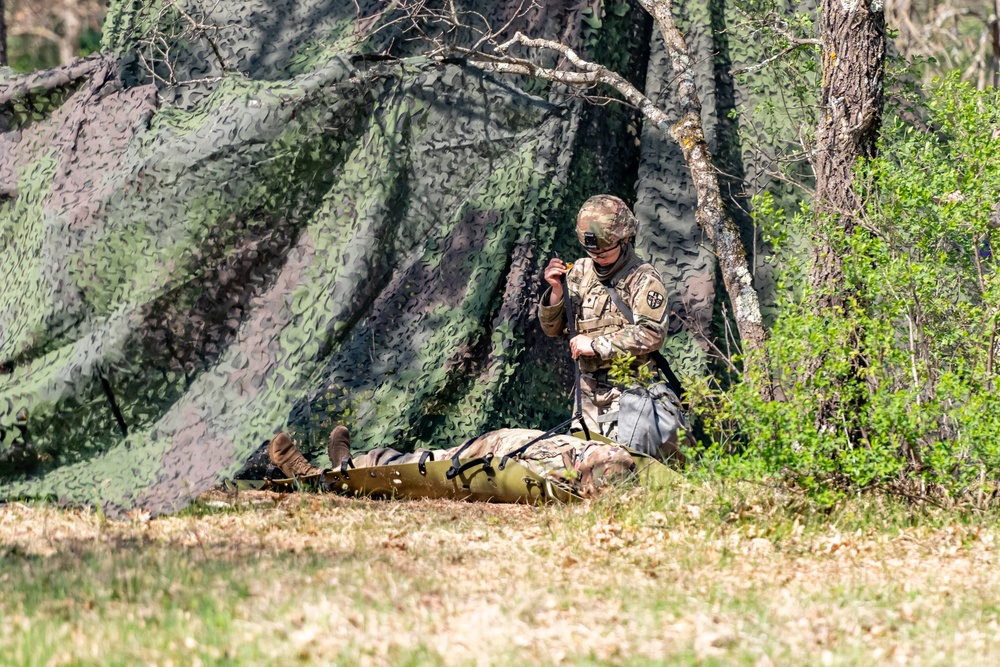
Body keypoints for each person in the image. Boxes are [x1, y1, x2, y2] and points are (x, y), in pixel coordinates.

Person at [538, 195, 681, 458]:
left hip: (632, 394)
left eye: (605, 251)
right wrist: (557, 291)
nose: (598, 258)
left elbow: (652, 333)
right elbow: (552, 329)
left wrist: (594, 345)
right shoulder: (579, 272)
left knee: (630, 469)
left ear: (625, 240)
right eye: (592, 252)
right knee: (588, 473)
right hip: (588, 395)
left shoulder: (643, 278)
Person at [266, 424, 639, 499]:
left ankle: (317, 474)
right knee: (426, 457)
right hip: (503, 440)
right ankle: (345, 462)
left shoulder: (563, 482)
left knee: (418, 464)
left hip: (495, 456)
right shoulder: (597, 457)